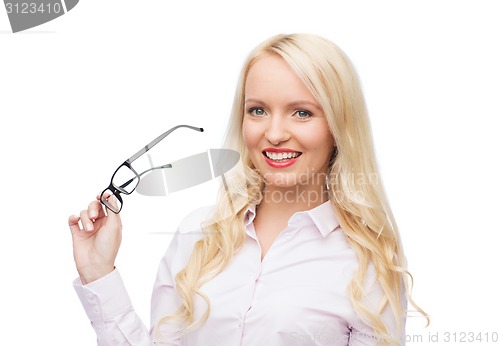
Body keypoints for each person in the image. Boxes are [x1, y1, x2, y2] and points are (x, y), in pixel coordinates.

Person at [69, 33, 427, 345]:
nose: (273, 133)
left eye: (301, 113)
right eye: (257, 110)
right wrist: (99, 273)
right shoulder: (198, 237)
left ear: (338, 126)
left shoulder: (367, 262)